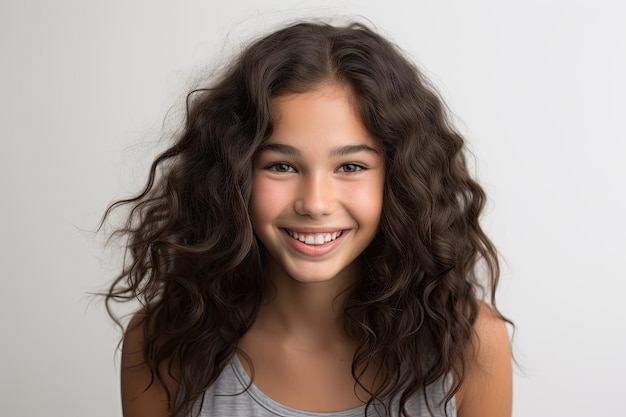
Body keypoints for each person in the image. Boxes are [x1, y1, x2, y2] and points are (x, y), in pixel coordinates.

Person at [102, 21, 513, 417]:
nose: (315, 203)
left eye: (350, 167)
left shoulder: (470, 342)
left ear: (403, 181)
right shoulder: (163, 341)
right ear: (230, 177)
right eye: (281, 166)